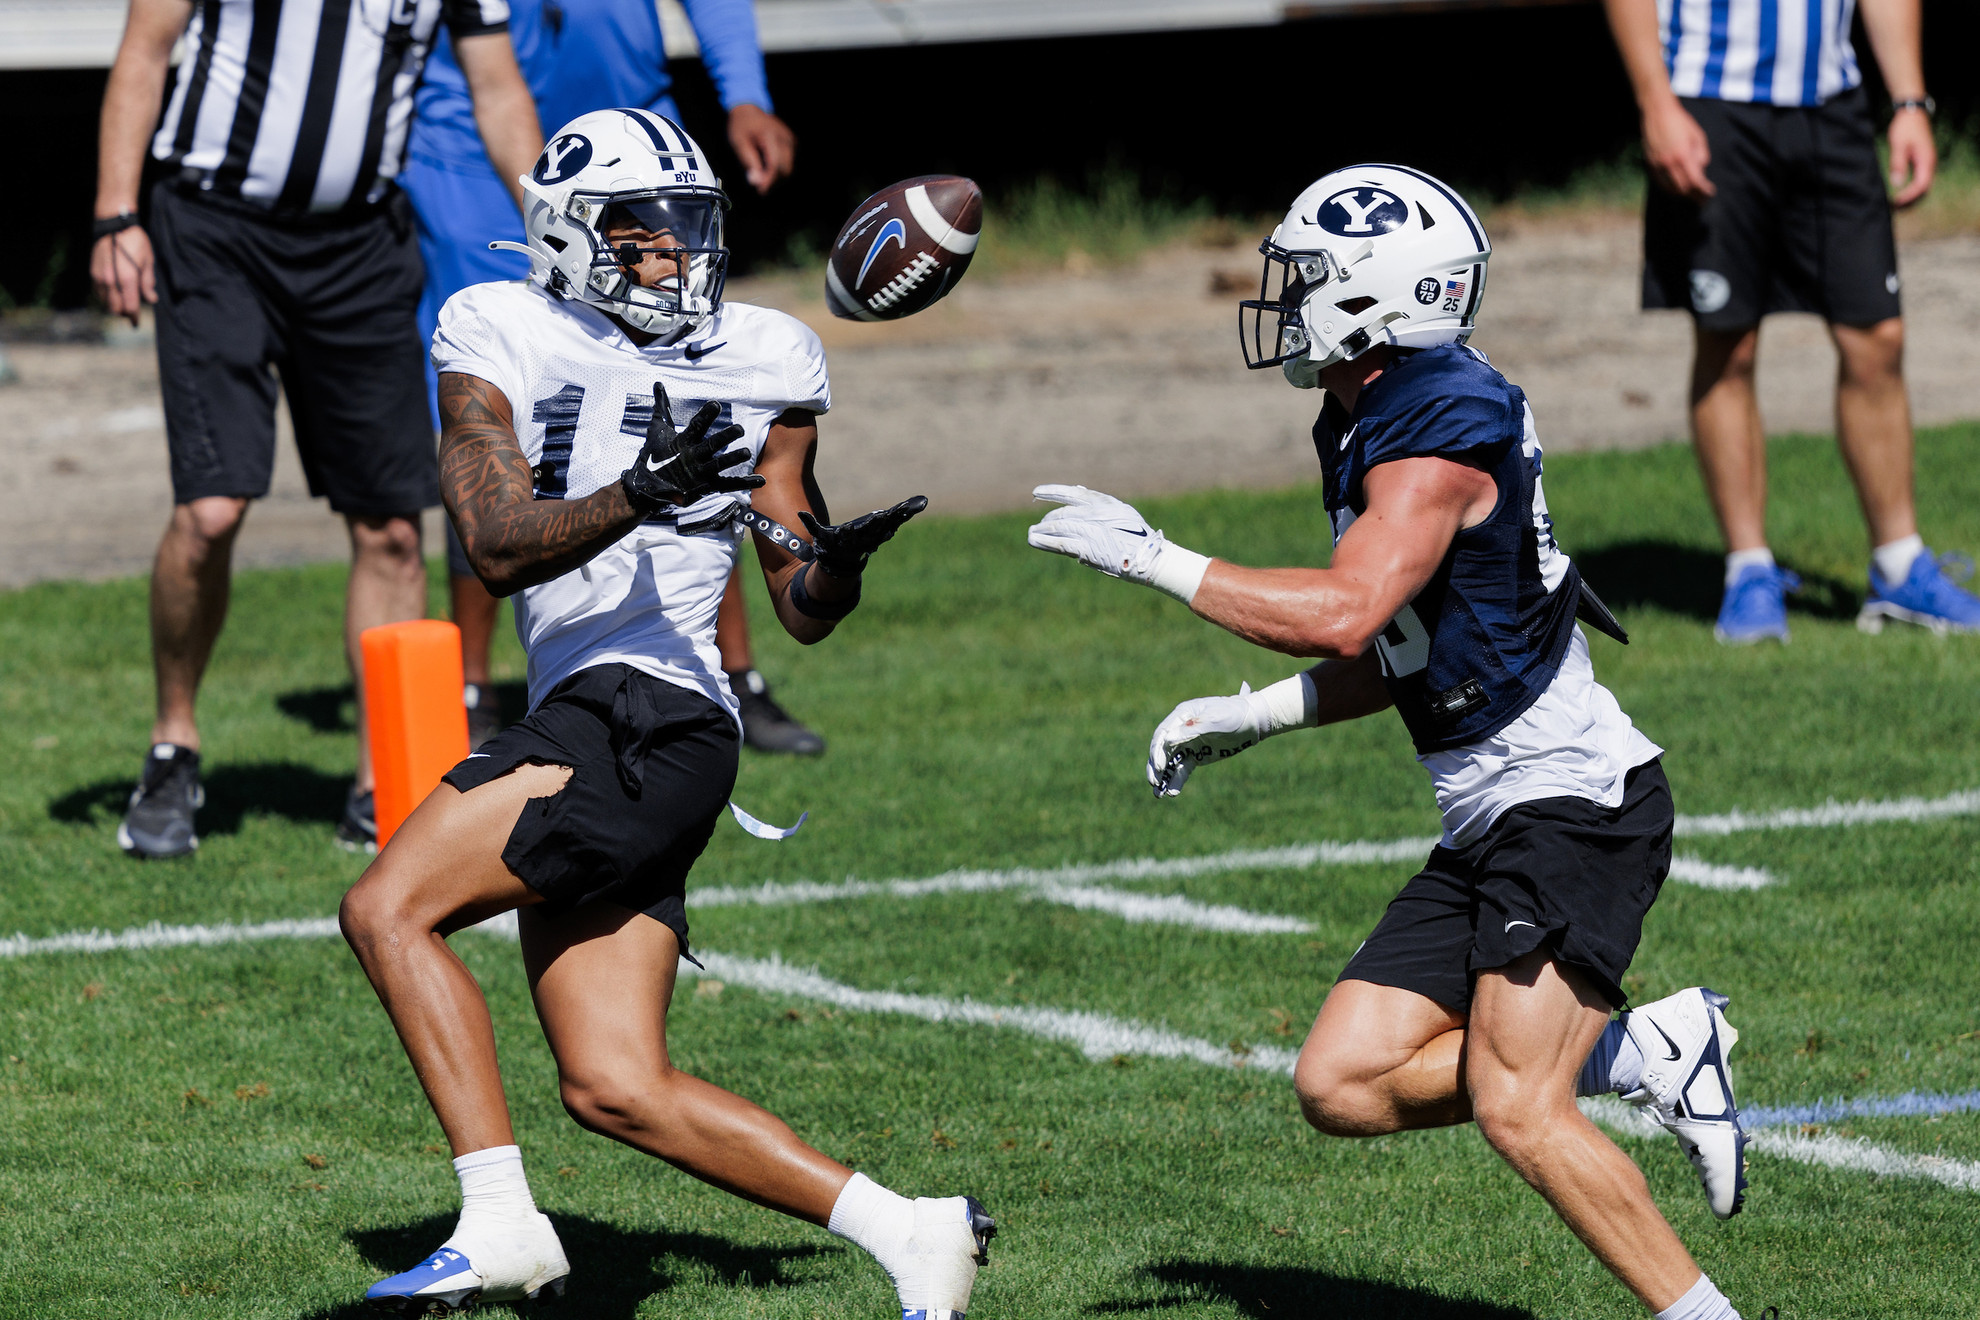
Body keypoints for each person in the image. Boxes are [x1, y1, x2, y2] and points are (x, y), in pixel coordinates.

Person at [1028, 167, 1760, 1320]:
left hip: (1570, 799)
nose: (1290, 297)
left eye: (1311, 277)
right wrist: (1255, 716)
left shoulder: (1436, 431)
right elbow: (1405, 646)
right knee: (1342, 1082)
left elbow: (1348, 610)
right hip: (1490, 808)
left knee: (1522, 1110)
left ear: (1382, 296)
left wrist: (1153, 559)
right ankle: (1641, 1054)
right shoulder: (1366, 409)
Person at [338, 109, 991, 1314]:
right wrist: (640, 491)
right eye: (642, 238)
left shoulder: (769, 352)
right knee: (615, 1085)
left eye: (688, 234)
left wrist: (834, 565)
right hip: (609, 715)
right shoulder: (498, 326)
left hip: (653, 712)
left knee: (387, 907)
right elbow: (489, 541)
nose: (674, 261)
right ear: (570, 237)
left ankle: (498, 1221)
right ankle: (914, 1231)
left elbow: (795, 597)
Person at [91, 0, 543, 858]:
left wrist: (556, 228)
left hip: (360, 249)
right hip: (214, 231)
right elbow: (145, 50)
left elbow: (496, 89)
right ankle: (172, 745)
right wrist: (117, 215)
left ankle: (386, 782)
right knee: (212, 509)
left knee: (392, 532)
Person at [402, 0, 821, 754]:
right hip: (486, 152)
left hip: (638, 136)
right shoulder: (492, 309)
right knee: (505, 434)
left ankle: (732, 674)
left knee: (699, 416)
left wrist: (745, 90)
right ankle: (470, 687)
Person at [1603, 0, 1979, 642]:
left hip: (1833, 106)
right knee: (1730, 340)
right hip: (1708, 101)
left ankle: (1899, 565)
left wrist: (1911, 104)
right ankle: (1749, 570)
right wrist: (1655, 101)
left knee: (1877, 335)